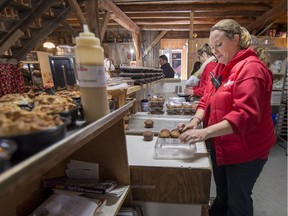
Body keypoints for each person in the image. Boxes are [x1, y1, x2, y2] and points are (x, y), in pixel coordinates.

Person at [178, 19, 275, 216]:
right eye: (213, 47)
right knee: (223, 194)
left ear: (236, 40)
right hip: (221, 144)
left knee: (238, 200)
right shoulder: (220, 68)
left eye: (219, 45)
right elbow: (206, 99)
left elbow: (245, 115)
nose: (215, 51)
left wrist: (205, 132)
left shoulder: (251, 69)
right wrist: (195, 121)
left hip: (246, 150)